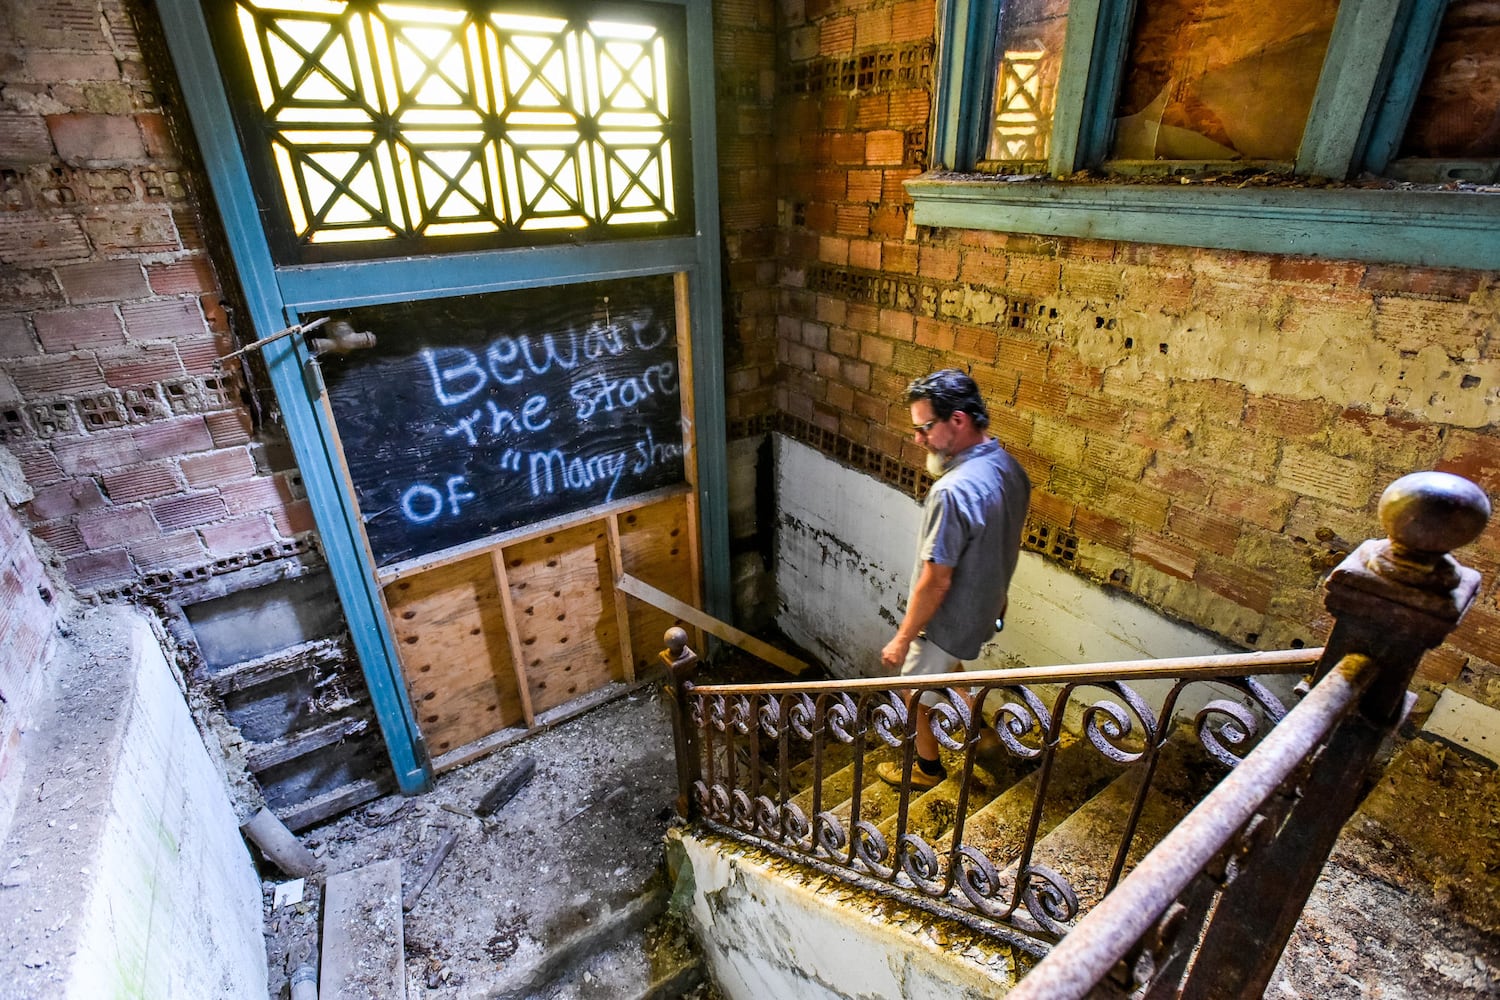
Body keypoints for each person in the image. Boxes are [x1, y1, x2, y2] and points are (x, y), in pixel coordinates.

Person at [876, 369, 1031, 789]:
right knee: (950, 666)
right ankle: (980, 735)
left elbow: (935, 581)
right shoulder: (1009, 468)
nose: (918, 439)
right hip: (984, 607)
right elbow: (1010, 540)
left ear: (958, 420)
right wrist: (1000, 596)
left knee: (911, 695)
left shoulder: (951, 492)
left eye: (925, 427)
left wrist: (903, 638)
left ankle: (927, 771)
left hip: (945, 618)